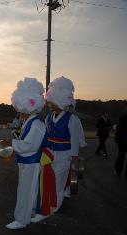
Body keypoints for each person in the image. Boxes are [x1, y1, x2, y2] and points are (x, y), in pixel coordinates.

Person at [5, 77, 56, 230]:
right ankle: (31, 212)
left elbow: (30, 145)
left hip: (31, 161)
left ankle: (21, 219)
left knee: (25, 190)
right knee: (29, 189)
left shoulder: (37, 123)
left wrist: (11, 144)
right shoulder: (31, 121)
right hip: (28, 161)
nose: (19, 112)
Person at [45, 76, 82, 210]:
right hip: (49, 152)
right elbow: (46, 133)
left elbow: (75, 139)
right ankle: (50, 199)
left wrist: (74, 156)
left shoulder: (72, 118)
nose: (50, 105)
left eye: (52, 103)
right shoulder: (48, 116)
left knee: (59, 180)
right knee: (50, 177)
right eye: (50, 102)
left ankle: (56, 204)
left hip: (64, 153)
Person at [114, 112, 127, 178]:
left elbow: (119, 129)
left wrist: (116, 139)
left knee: (121, 156)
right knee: (121, 156)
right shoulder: (122, 118)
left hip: (123, 141)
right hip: (123, 140)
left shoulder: (123, 118)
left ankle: (118, 170)